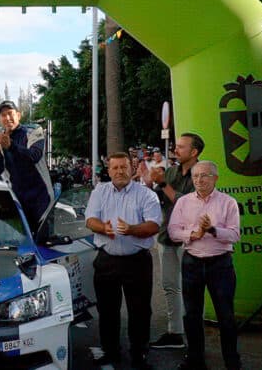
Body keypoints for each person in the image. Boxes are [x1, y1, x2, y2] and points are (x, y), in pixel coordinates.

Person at [85, 152, 161, 369]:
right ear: (108, 171)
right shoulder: (99, 191)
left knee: (140, 310)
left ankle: (139, 354)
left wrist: (131, 230)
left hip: (137, 262)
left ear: (132, 169)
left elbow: (154, 225)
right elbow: (90, 220)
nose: (119, 171)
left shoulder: (146, 194)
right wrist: (103, 228)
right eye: (115, 167)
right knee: (107, 310)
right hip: (107, 260)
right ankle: (110, 351)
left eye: (124, 167)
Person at [168, 160, 242, 370]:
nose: (199, 180)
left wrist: (212, 230)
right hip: (192, 261)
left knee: (225, 315)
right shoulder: (183, 202)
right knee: (192, 314)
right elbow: (173, 231)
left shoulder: (228, 202)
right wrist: (193, 234)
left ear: (215, 178)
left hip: (220, 264)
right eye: (195, 176)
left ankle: (232, 361)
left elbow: (235, 235)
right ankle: (195, 359)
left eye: (204, 175)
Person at [148, 132, 204, 350]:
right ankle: (175, 332)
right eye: (176, 146)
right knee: (170, 286)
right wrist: (149, 183)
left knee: (191, 288)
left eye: (181, 147)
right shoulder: (171, 171)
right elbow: (160, 198)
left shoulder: (202, 174)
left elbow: (186, 204)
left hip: (190, 239)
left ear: (194, 152)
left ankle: (194, 338)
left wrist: (163, 184)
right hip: (167, 236)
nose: (175, 150)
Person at [0, 100, 53, 235]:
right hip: (17, 199)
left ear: (18, 115)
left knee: (43, 240)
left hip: (41, 198)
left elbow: (34, 156)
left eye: (10, 113)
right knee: (20, 241)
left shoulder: (33, 130)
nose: (7, 118)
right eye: (3, 115)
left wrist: (11, 146)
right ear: (0, 119)